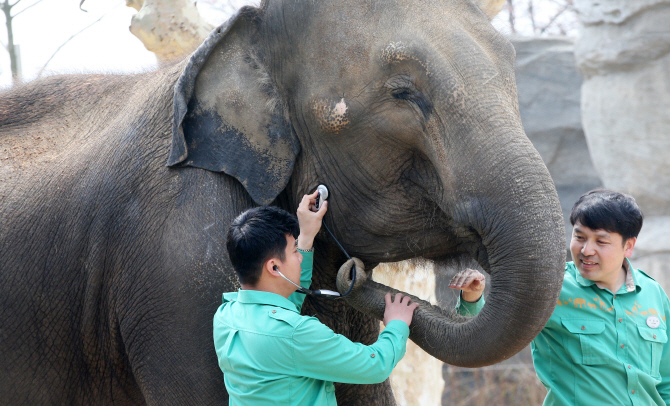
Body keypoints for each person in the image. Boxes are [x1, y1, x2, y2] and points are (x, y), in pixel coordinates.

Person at [450, 189, 670, 406]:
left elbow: (667, 380)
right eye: (579, 237)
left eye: (601, 242)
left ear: (628, 246)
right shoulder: (548, 286)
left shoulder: (653, 293)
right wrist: (472, 297)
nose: (586, 250)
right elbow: (484, 337)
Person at [213, 191, 419, 405]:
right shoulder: (295, 334)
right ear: (274, 267)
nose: (300, 256)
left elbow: (284, 303)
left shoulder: (226, 316)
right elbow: (374, 366)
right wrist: (397, 325)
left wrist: (306, 236)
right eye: (295, 251)